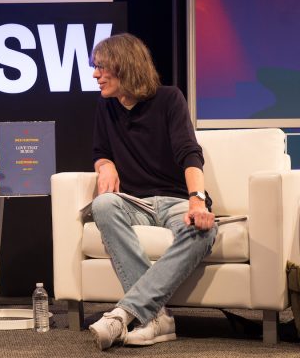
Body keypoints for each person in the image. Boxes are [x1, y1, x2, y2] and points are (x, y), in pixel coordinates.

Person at [86, 33, 217, 350]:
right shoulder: (106, 108)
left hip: (174, 200)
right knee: (103, 205)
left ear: (125, 67)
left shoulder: (170, 99)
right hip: (135, 204)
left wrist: (196, 200)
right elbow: (100, 151)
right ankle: (157, 316)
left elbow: (189, 153)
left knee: (202, 231)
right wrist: (105, 165)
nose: (95, 75)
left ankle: (127, 314)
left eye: (102, 67)